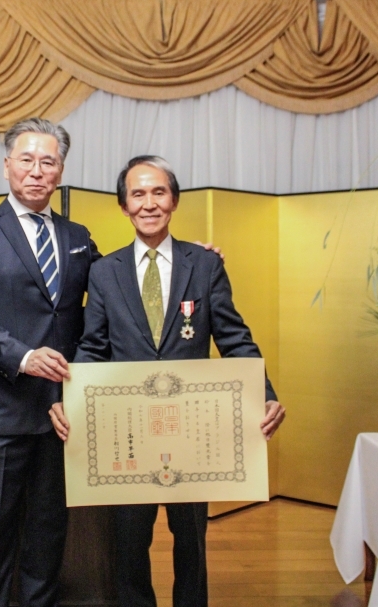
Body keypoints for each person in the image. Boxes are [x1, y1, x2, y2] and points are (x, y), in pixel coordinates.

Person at [49, 155, 286, 607]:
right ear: (124, 206)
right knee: (129, 542)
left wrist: (265, 395)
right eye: (137, 194)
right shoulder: (105, 272)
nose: (149, 203)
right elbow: (94, 347)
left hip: (193, 430)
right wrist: (70, 402)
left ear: (174, 200)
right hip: (129, 430)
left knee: (191, 540)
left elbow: (234, 338)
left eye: (158, 192)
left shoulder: (206, 265)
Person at [0, 118, 99, 607]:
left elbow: (111, 292)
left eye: (47, 162)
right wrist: (24, 356)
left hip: (61, 410)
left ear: (60, 171)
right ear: (7, 164)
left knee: (49, 527)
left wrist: (189, 259)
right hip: (4, 407)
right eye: (27, 160)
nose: (36, 171)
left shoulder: (77, 235)